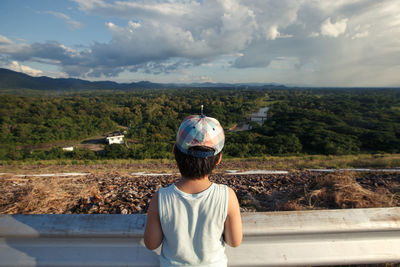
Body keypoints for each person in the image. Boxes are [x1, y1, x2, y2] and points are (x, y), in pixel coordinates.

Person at [144, 114, 243, 267]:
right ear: (218, 159)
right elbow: (234, 241)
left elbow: (151, 244)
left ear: (174, 152)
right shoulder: (227, 196)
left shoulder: (161, 197)